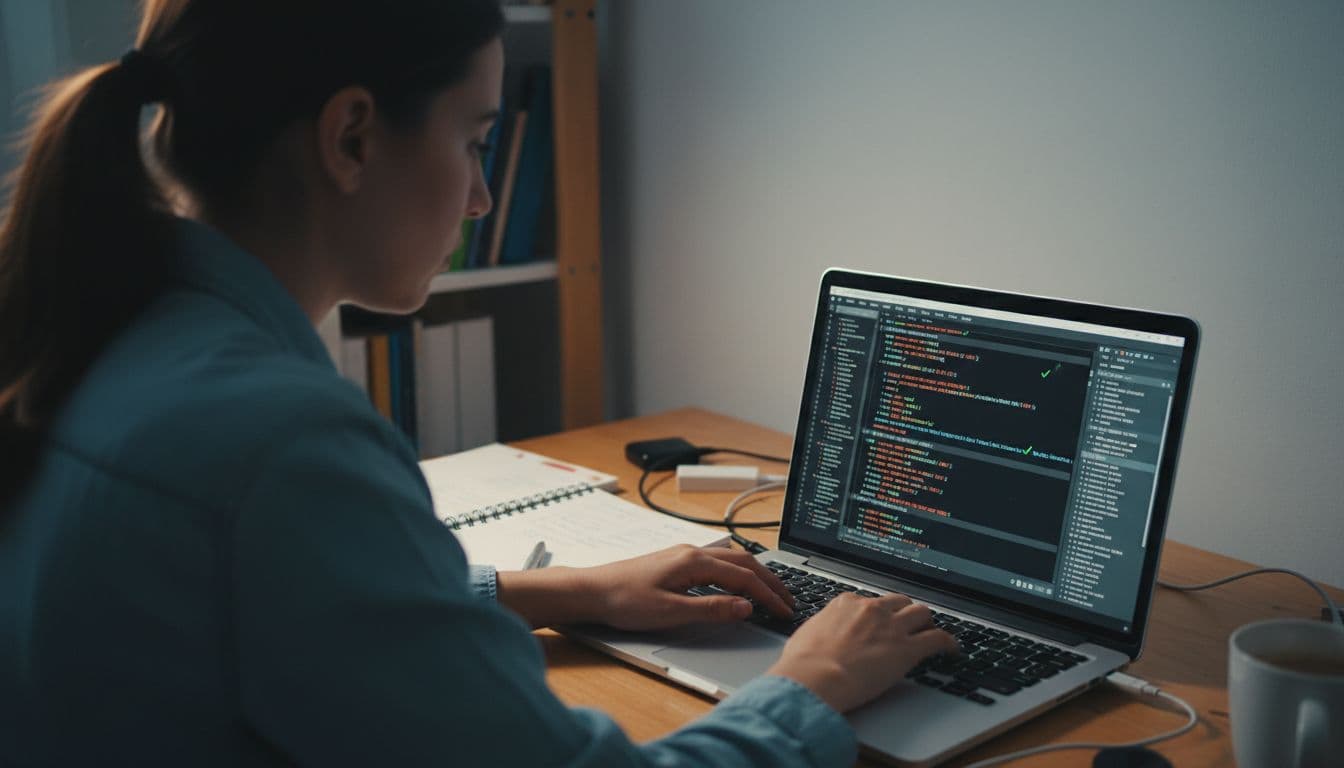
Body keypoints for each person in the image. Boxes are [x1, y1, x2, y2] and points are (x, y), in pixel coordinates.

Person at [0, 1, 957, 765]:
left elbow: (286, 602)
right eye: (475, 140)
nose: (481, 197)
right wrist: (812, 688)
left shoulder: (104, 326)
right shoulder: (283, 443)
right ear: (352, 138)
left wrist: (573, 591)